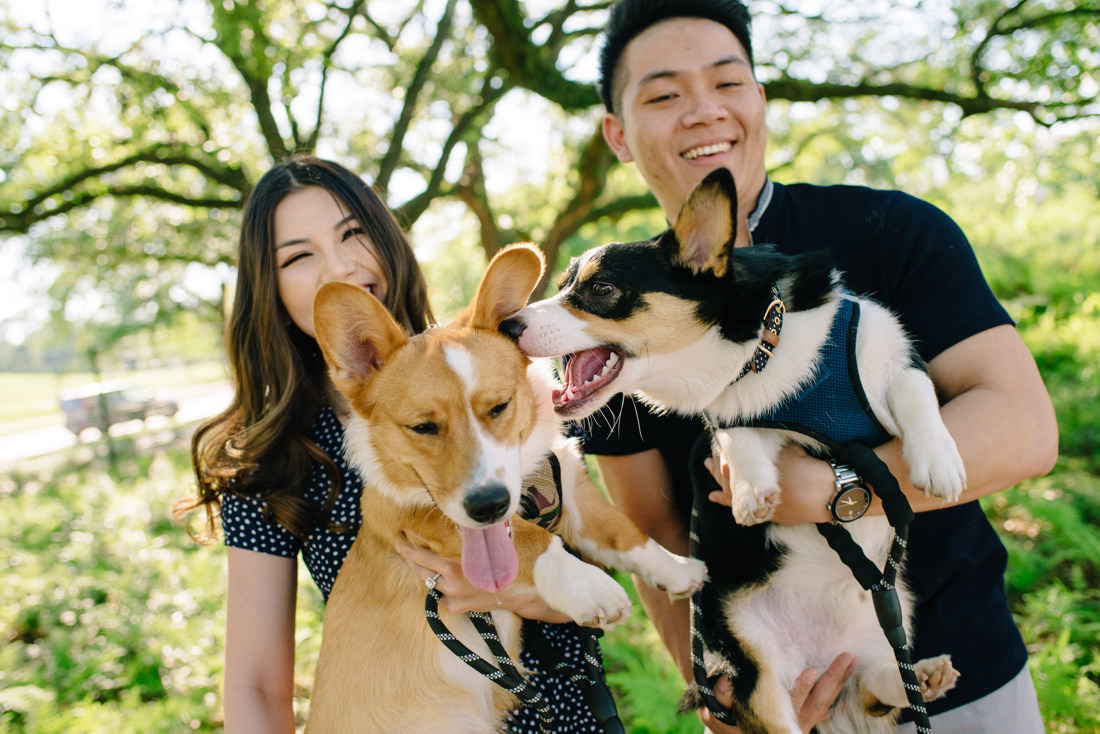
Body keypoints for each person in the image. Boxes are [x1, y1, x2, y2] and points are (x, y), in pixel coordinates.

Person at [582, 1, 1059, 733]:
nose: (703, 112)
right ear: (618, 133)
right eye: (664, 94)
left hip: (966, 687)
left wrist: (833, 489)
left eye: (727, 82)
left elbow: (1024, 427)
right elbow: (655, 525)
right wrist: (723, 696)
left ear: (760, 99)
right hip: (787, 704)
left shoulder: (893, 231)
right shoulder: (614, 307)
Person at [181, 154, 614, 733]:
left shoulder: (498, 376)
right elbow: (255, 684)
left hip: (567, 719)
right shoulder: (276, 460)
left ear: (385, 237)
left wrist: (530, 594)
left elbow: (602, 579)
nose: (339, 266)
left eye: (352, 233)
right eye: (299, 255)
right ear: (271, 286)